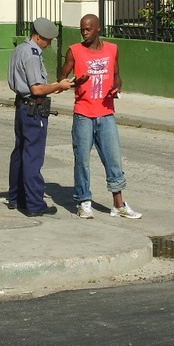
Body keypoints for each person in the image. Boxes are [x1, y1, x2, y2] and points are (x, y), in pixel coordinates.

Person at [59, 13, 141, 219]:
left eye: (88, 29)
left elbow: (116, 76)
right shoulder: (74, 51)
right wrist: (75, 83)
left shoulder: (112, 49)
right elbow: (61, 78)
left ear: (98, 29)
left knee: (114, 159)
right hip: (83, 114)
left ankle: (118, 204)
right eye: (82, 29)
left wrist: (117, 87)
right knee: (82, 160)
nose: (84, 33)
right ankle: (83, 201)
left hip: (106, 114)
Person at [7, 17, 74, 217]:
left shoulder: (20, 49)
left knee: (20, 152)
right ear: (39, 37)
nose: (49, 44)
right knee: (33, 156)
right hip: (33, 109)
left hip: (21, 106)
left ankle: (16, 197)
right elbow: (37, 89)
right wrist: (58, 86)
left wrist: (53, 88)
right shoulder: (32, 55)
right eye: (48, 40)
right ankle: (35, 204)